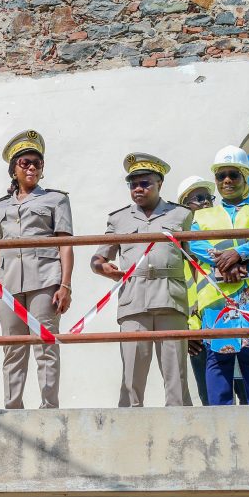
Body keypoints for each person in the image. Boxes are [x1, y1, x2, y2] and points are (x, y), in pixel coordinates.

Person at [91, 153, 192, 407]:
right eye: (133, 184)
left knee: (176, 376)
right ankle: (128, 426)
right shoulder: (119, 218)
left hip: (170, 298)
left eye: (145, 183)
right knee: (132, 376)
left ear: (159, 184)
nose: (138, 188)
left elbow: (196, 256)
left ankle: (180, 428)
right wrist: (103, 267)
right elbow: (98, 258)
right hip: (134, 301)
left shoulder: (181, 215)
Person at [0, 130, 71, 409]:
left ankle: (49, 407)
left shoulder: (56, 200)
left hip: (45, 279)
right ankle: (13, 407)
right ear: (14, 169)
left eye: (37, 163)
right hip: (6, 284)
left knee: (45, 345)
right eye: (25, 163)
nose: (31, 167)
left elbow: (66, 244)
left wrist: (65, 285)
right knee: (13, 348)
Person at [188, 146, 249, 406]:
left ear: (245, 178)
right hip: (217, 296)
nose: (226, 181)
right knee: (218, 358)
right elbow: (195, 245)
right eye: (221, 176)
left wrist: (238, 254)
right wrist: (225, 263)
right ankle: (220, 418)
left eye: (233, 175)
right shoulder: (201, 217)